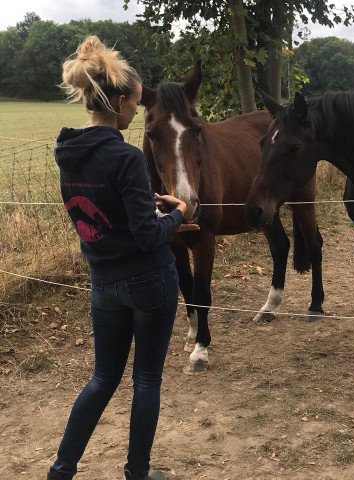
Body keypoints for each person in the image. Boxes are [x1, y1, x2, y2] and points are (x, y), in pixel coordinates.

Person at [47, 36, 197, 480]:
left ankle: (62, 468)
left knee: (102, 377)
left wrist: (145, 203)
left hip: (103, 283)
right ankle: (137, 471)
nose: (136, 112)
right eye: (133, 103)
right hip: (150, 282)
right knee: (146, 380)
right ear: (114, 102)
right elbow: (150, 237)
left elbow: (96, 213)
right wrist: (179, 214)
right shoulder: (126, 156)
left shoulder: (69, 155)